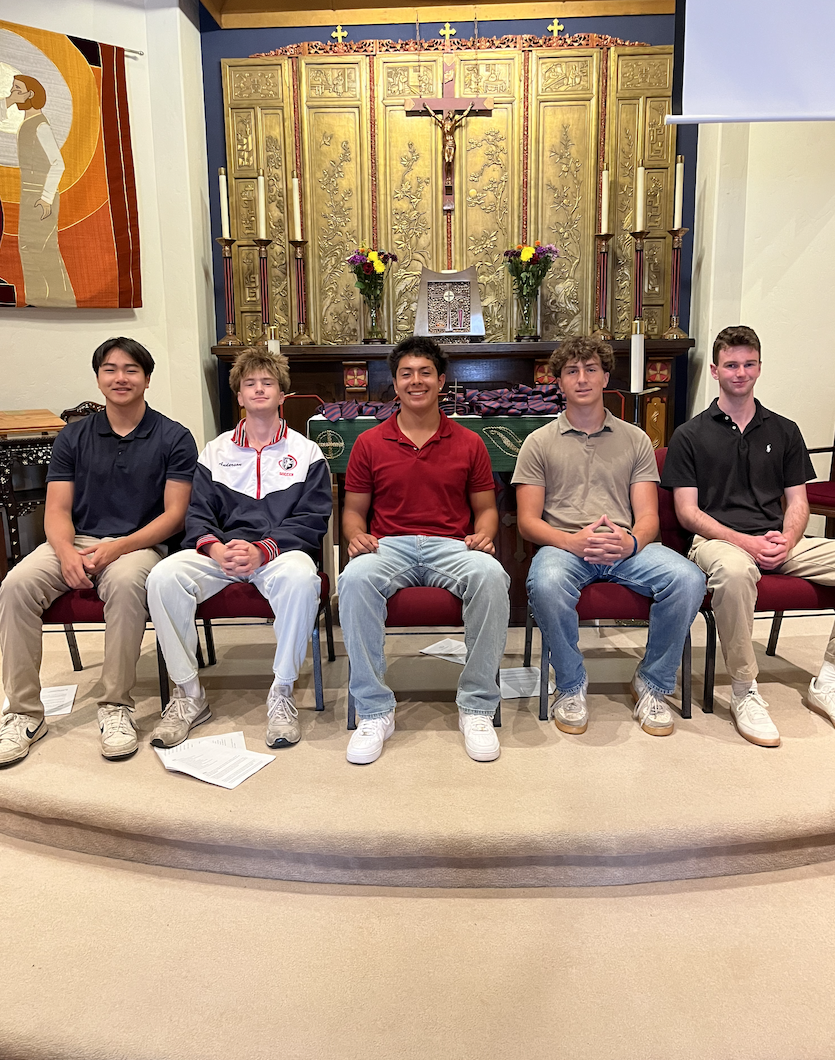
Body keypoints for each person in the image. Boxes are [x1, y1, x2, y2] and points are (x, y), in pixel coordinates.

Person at [0, 337, 197, 764]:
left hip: (140, 544)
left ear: (147, 379)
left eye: (131, 370)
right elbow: (57, 510)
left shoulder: (174, 437)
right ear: (98, 378)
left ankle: (115, 706)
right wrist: (65, 552)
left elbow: (175, 516)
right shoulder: (73, 436)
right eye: (110, 369)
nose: (120, 378)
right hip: (77, 540)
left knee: (126, 586)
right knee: (15, 585)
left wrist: (118, 547)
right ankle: (23, 714)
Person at [513, 335, 705, 737]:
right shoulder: (538, 442)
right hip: (565, 545)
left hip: (625, 545)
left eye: (591, 369)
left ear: (605, 377)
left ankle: (652, 682)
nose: (582, 379)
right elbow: (528, 521)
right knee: (545, 582)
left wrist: (630, 542)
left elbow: (648, 517)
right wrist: (571, 541)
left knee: (688, 578)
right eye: (572, 371)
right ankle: (570, 684)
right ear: (559, 382)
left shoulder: (635, 439)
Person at [146, 348, 332, 750]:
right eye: (250, 383)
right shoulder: (215, 451)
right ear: (240, 396)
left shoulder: (306, 452)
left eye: (268, 383)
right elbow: (198, 512)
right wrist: (214, 549)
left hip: (278, 553)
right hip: (224, 553)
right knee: (162, 577)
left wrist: (263, 550)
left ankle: (282, 692)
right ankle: (188, 694)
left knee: (303, 579)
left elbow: (313, 518)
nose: (259, 389)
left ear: (282, 394)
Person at [338, 335, 510, 764]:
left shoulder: (469, 442)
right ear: (395, 384)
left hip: (450, 545)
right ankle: (374, 711)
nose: (416, 381)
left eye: (425, 373)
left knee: (491, 575)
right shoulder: (369, 443)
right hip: (390, 546)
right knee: (354, 578)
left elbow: (486, 509)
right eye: (406, 374)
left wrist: (484, 535)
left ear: (441, 381)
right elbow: (353, 512)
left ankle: (477, 707)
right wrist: (355, 535)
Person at [662, 325, 835, 747]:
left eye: (748, 364)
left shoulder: (785, 430)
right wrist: (746, 542)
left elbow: (798, 502)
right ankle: (744, 690)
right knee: (736, 573)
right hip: (718, 543)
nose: (740, 373)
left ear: (759, 367)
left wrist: (787, 539)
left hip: (777, 540)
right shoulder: (689, 435)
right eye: (731, 365)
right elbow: (687, 513)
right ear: (715, 371)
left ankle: (829, 679)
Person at [1, 75, 75, 307]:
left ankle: (61, 299)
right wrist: (9, 101)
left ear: (30, 94)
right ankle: (38, 298)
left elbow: (58, 163)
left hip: (40, 195)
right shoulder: (28, 123)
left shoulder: (40, 126)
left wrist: (45, 199)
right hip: (30, 194)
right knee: (29, 249)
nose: (12, 92)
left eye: (17, 89)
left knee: (43, 250)